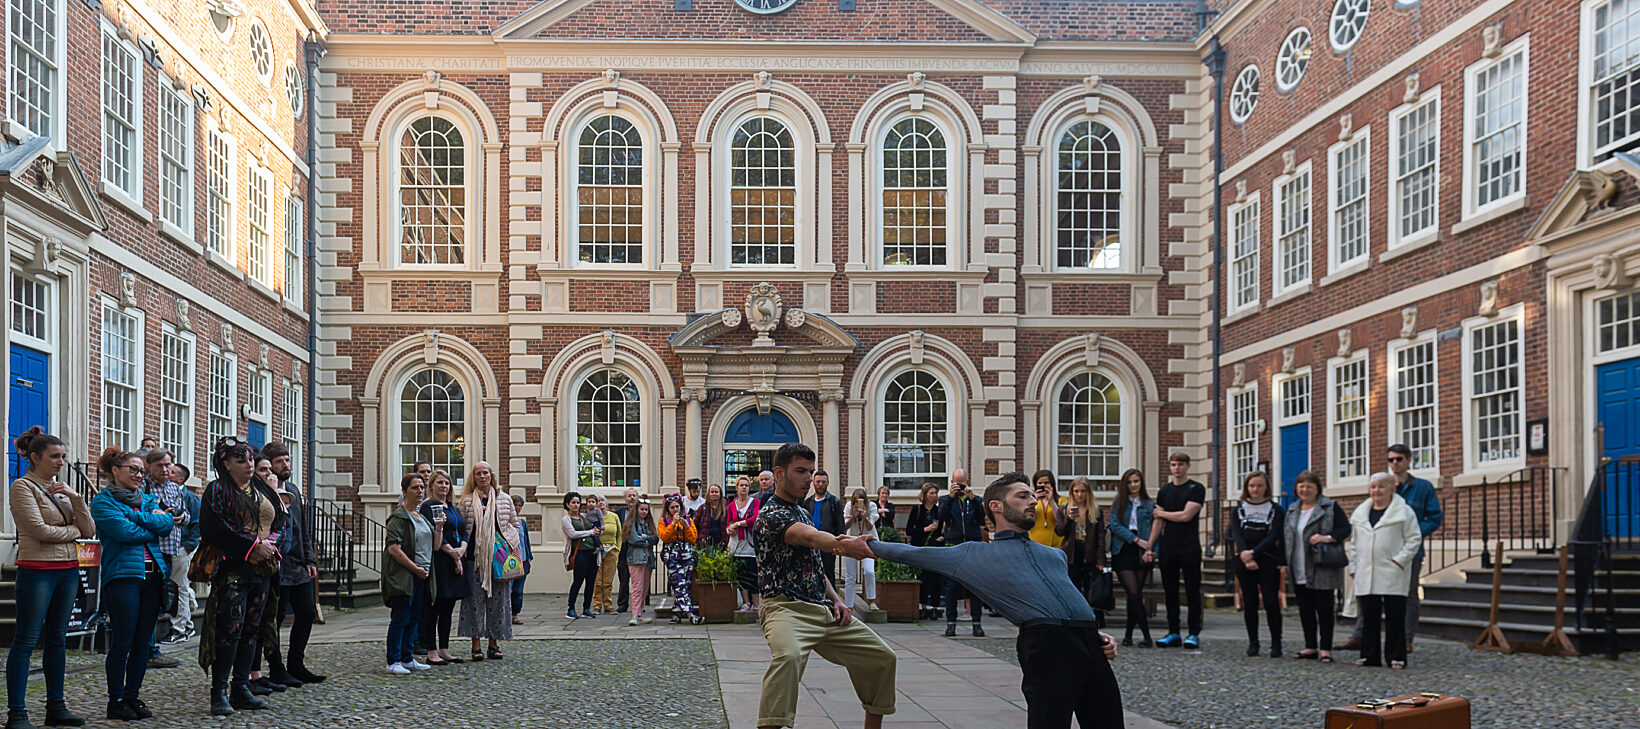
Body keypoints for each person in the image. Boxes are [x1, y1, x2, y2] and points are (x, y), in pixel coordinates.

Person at [849, 472, 1122, 729]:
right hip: (1047, 645)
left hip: (1090, 645)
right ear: (996, 506)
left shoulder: (1055, 556)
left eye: (1032, 496)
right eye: (1023, 496)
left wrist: (1091, 632)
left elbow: (1060, 597)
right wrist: (866, 545)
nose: (1033, 501)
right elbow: (914, 553)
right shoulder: (973, 555)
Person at [754, 443, 896, 729]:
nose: (808, 478)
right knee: (788, 657)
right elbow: (809, 537)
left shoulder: (803, 511)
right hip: (784, 609)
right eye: (801, 471)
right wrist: (844, 545)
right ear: (779, 473)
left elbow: (816, 568)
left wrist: (838, 600)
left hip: (822, 609)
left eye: (810, 471)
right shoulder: (769, 515)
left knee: (882, 657)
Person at [7, 427, 93, 729]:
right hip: (36, 571)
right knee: (26, 641)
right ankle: (16, 713)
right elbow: (39, 531)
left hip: (68, 571)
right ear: (35, 457)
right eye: (55, 456)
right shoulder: (22, 487)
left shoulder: (63, 490)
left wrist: (76, 498)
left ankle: (56, 707)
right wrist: (74, 533)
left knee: (57, 641)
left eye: (63, 456)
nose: (61, 462)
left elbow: (90, 529)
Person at [197, 438, 284, 716]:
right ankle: (218, 692)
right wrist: (252, 547)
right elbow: (215, 527)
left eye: (250, 460)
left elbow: (279, 520)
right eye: (241, 461)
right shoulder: (217, 490)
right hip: (233, 570)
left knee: (252, 629)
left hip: (263, 570)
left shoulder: (260, 488)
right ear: (225, 464)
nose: (249, 465)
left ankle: (241, 687)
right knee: (230, 630)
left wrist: (270, 544)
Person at [90, 446, 173, 721]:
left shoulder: (147, 499)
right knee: (122, 642)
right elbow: (123, 533)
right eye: (133, 469)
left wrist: (137, 516)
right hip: (123, 577)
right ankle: (115, 700)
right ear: (115, 470)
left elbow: (167, 525)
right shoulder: (103, 502)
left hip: (153, 578)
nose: (139, 475)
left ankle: (132, 695)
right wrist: (151, 522)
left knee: (142, 643)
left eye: (141, 470)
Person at [1345, 444, 1442, 654]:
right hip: (1376, 554)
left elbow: (1434, 518)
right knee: (1369, 595)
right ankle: (1359, 636)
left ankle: (1405, 640)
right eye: (1391, 460)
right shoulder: (1380, 485)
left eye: (1399, 459)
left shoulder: (1423, 487)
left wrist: (1407, 538)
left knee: (1407, 597)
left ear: (1408, 460)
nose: (1395, 463)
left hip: (1407, 553)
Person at [1347, 472, 1422, 669]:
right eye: (1373, 487)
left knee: (1395, 615)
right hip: (1366, 570)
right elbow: (1354, 543)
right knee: (1369, 616)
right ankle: (1369, 656)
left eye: (1381, 486)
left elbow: (1414, 539)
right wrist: (1354, 566)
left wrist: (1399, 560)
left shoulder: (1404, 512)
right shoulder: (1360, 513)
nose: (1377, 491)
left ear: (1392, 489)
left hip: (1392, 569)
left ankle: (1396, 656)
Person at [1283, 470, 1350, 662]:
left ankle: (1326, 649)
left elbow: (1344, 528)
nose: (1305, 490)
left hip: (1321, 565)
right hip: (1298, 565)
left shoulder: (1329, 506)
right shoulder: (1293, 509)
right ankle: (1310, 646)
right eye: (1301, 486)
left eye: (1309, 486)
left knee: (1324, 609)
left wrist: (1326, 538)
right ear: (1296, 488)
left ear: (1317, 488)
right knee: (1305, 608)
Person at [458, 462, 518, 660]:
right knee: (474, 602)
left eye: (485, 473)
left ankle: (494, 643)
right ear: (473, 477)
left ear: (491, 475)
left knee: (499, 602)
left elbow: (514, 525)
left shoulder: (504, 499)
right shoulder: (466, 501)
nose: (482, 476)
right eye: (478, 474)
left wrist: (508, 542)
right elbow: (461, 529)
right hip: (474, 559)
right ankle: (476, 645)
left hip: (499, 559)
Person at [1146, 452, 1205, 649]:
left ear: (1188, 466)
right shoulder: (1165, 490)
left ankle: (1194, 633)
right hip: (1168, 547)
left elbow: (1186, 515)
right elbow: (1158, 521)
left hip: (1189, 548)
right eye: (1173, 464)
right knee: (1170, 592)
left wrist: (1161, 512)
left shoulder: (1196, 488)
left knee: (1192, 591)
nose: (1176, 468)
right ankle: (1173, 632)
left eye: (1180, 464)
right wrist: (1150, 545)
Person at [383, 472, 441, 675]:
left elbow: (435, 547)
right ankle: (393, 660)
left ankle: (407, 658)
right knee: (401, 617)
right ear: (404, 491)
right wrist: (415, 568)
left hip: (422, 576)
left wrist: (439, 528)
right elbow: (394, 549)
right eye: (415, 487)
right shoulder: (398, 517)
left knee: (415, 618)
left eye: (422, 487)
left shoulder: (422, 517)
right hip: (405, 576)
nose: (420, 491)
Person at [245, 456, 292, 695]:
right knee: (250, 626)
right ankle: (245, 678)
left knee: (264, 623)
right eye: (263, 470)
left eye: (267, 470)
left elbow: (284, 525)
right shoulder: (253, 496)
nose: (267, 474)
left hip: (271, 565)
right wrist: (273, 492)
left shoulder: (271, 494)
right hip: (251, 566)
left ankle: (257, 674)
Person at [1228, 471, 1285, 658]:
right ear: (1247, 488)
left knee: (1270, 602)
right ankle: (1254, 643)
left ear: (1266, 487)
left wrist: (1254, 553)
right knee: (1250, 602)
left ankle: (1276, 643)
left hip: (1267, 558)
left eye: (1260, 486)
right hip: (1243, 560)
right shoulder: (1238, 509)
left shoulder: (1276, 509)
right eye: (1252, 486)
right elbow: (1236, 534)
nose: (1255, 489)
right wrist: (1245, 555)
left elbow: (1275, 535)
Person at [139, 449, 186, 669]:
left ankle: (149, 648)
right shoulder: (143, 487)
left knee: (161, 601)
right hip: (151, 552)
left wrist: (179, 516)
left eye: (168, 465)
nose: (165, 469)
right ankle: (148, 650)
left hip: (170, 551)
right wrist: (162, 517)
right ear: (149, 466)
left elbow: (186, 516)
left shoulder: (174, 487)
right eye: (160, 465)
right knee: (150, 602)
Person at [419, 470, 469, 665]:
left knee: (448, 607)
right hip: (440, 561)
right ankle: (431, 651)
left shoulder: (453, 508)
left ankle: (444, 649)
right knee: (434, 606)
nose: (444, 487)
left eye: (447, 483)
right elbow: (433, 535)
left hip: (456, 559)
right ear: (432, 485)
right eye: (440, 483)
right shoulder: (428, 507)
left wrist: (462, 549)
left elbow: (463, 531)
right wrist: (453, 553)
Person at [934, 472, 985, 636]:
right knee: (951, 587)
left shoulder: (975, 500)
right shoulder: (944, 500)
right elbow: (941, 517)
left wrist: (972, 499)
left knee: (975, 586)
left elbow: (981, 519)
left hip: (972, 545)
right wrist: (950, 497)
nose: (960, 487)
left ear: (967, 482)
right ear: (952, 482)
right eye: (957, 483)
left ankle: (976, 623)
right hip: (953, 545)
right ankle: (951, 624)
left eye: (962, 483)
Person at [1107, 469, 1154, 647]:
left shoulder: (1149, 504)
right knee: (1134, 592)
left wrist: (1151, 550)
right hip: (1124, 549)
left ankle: (1128, 635)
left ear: (1141, 483)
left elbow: (1155, 529)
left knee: (1134, 595)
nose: (1133, 485)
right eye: (1130, 482)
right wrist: (1135, 540)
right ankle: (1147, 635)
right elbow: (1115, 525)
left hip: (1142, 552)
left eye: (1136, 481)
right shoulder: (1119, 502)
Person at [1054, 477, 1104, 616]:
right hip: (1072, 552)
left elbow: (1100, 537)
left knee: (1091, 587)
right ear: (1072, 492)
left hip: (1089, 552)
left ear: (1088, 492)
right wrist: (1068, 519)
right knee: (1073, 586)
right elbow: (1059, 532)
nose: (1080, 495)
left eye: (1083, 491)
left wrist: (1101, 559)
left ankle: (1094, 617)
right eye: (1076, 491)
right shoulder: (1064, 509)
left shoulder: (1095, 510)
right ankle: (1075, 615)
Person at [658, 495, 703, 624]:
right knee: (678, 583)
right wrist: (673, 524)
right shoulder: (664, 520)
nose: (675, 509)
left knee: (686, 584)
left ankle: (676, 613)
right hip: (672, 554)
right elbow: (664, 537)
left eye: (677, 507)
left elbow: (693, 538)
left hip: (686, 553)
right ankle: (690, 614)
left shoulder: (688, 519)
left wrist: (686, 526)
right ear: (668, 509)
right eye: (672, 507)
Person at [903, 483, 942, 619]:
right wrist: (925, 529)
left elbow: (945, 530)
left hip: (935, 549)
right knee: (922, 578)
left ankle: (935, 608)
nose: (934, 496)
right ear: (925, 495)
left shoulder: (939, 511)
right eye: (931, 493)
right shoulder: (917, 509)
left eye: (936, 493)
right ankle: (923, 607)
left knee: (935, 579)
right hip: (920, 547)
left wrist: (940, 537)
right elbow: (909, 530)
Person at [561, 491, 601, 619]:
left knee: (591, 582)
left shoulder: (584, 517)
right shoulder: (566, 519)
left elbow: (594, 527)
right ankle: (571, 608)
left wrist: (596, 531)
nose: (576, 505)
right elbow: (572, 534)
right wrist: (590, 532)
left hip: (592, 553)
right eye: (573, 503)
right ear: (567, 504)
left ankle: (586, 609)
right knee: (578, 581)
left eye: (578, 502)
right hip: (579, 553)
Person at [800, 470, 844, 584]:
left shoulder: (834, 502)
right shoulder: (807, 502)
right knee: (810, 573)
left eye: (823, 482)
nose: (820, 484)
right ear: (813, 483)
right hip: (810, 544)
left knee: (828, 574)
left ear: (828, 482)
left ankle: (830, 600)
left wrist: (838, 544)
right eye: (818, 481)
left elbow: (840, 524)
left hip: (827, 543)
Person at [727, 476, 761, 613]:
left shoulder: (755, 502)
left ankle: (757, 605)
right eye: (741, 485)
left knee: (753, 574)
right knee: (740, 575)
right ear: (737, 487)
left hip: (749, 543)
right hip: (736, 543)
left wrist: (738, 523)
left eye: (746, 485)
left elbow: (754, 519)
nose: (744, 487)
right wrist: (729, 529)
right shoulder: (731, 505)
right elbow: (729, 521)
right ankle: (746, 602)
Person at [622, 500, 659, 625]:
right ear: (636, 510)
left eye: (646, 509)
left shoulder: (649, 524)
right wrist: (647, 540)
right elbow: (634, 539)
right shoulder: (631, 523)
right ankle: (634, 615)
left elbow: (656, 538)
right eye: (642, 509)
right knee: (637, 588)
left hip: (648, 560)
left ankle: (640, 613)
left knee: (645, 589)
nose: (644, 512)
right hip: (636, 559)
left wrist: (645, 537)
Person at [842, 488, 878, 611]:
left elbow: (870, 526)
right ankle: (849, 605)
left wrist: (866, 517)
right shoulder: (848, 507)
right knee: (850, 576)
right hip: (851, 541)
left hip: (868, 542)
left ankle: (872, 600)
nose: (858, 505)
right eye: (856, 502)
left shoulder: (872, 506)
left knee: (869, 571)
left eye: (860, 501)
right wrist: (853, 516)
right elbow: (844, 526)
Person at [593, 494, 624, 614]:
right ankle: (596, 606)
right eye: (598, 501)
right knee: (597, 581)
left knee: (608, 581)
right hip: (597, 552)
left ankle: (608, 605)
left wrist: (617, 549)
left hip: (611, 550)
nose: (600, 503)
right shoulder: (592, 518)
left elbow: (619, 535)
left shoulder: (614, 516)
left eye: (602, 500)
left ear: (606, 503)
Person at [615, 488, 640, 614]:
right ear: (625, 499)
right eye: (629, 496)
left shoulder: (642, 511)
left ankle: (641, 604)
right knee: (623, 577)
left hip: (637, 547)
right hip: (623, 547)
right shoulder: (619, 512)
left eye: (634, 496)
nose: (632, 498)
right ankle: (622, 604)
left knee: (639, 578)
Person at [511, 493, 533, 624]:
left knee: (518, 590)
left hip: (523, 560)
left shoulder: (522, 523)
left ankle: (514, 613)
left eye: (520, 505)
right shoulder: (504, 522)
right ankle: (506, 613)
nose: (517, 508)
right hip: (509, 561)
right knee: (509, 589)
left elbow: (526, 542)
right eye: (515, 505)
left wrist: (529, 559)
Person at [1028, 470, 1065, 548]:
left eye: (1046, 483)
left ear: (1052, 484)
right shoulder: (1030, 500)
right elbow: (1025, 517)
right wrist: (1034, 500)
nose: (1043, 485)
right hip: (1035, 543)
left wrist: (1051, 500)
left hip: (1055, 545)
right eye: (1040, 483)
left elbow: (1061, 520)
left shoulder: (1061, 500)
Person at [696, 484, 729, 549]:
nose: (714, 494)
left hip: (721, 544)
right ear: (709, 494)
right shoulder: (703, 508)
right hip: (705, 545)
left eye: (716, 492)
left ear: (720, 494)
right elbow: (695, 525)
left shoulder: (726, 509)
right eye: (712, 492)